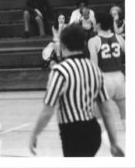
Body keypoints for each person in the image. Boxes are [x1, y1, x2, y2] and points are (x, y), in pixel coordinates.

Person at [29, 24, 124, 157]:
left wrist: (34, 134)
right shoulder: (94, 69)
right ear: (84, 44)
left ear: (62, 45)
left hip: (72, 133)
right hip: (93, 132)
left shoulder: (60, 71)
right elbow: (106, 111)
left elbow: (47, 111)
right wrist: (113, 144)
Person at [88, 13, 125, 128]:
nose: (92, 23)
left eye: (94, 21)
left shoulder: (94, 41)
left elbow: (94, 66)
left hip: (104, 79)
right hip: (119, 78)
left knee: (98, 112)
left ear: (98, 24)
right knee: (124, 111)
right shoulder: (120, 38)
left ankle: (104, 139)